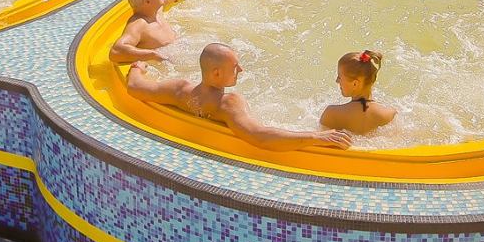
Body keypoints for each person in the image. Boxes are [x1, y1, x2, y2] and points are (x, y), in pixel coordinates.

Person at [125, 43, 353, 151]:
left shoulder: (180, 89)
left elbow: (135, 88)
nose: (241, 70)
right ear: (216, 73)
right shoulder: (227, 103)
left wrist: (137, 67)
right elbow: (260, 136)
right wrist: (316, 136)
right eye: (235, 67)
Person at [109, 0, 188, 65]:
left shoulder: (155, 11)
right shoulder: (139, 24)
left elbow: (164, 0)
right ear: (147, 1)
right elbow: (115, 52)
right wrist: (152, 55)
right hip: (170, 65)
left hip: (181, 54)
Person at [321, 50, 398, 135]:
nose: (336, 81)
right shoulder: (389, 114)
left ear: (355, 83)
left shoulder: (331, 114)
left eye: (339, 77)